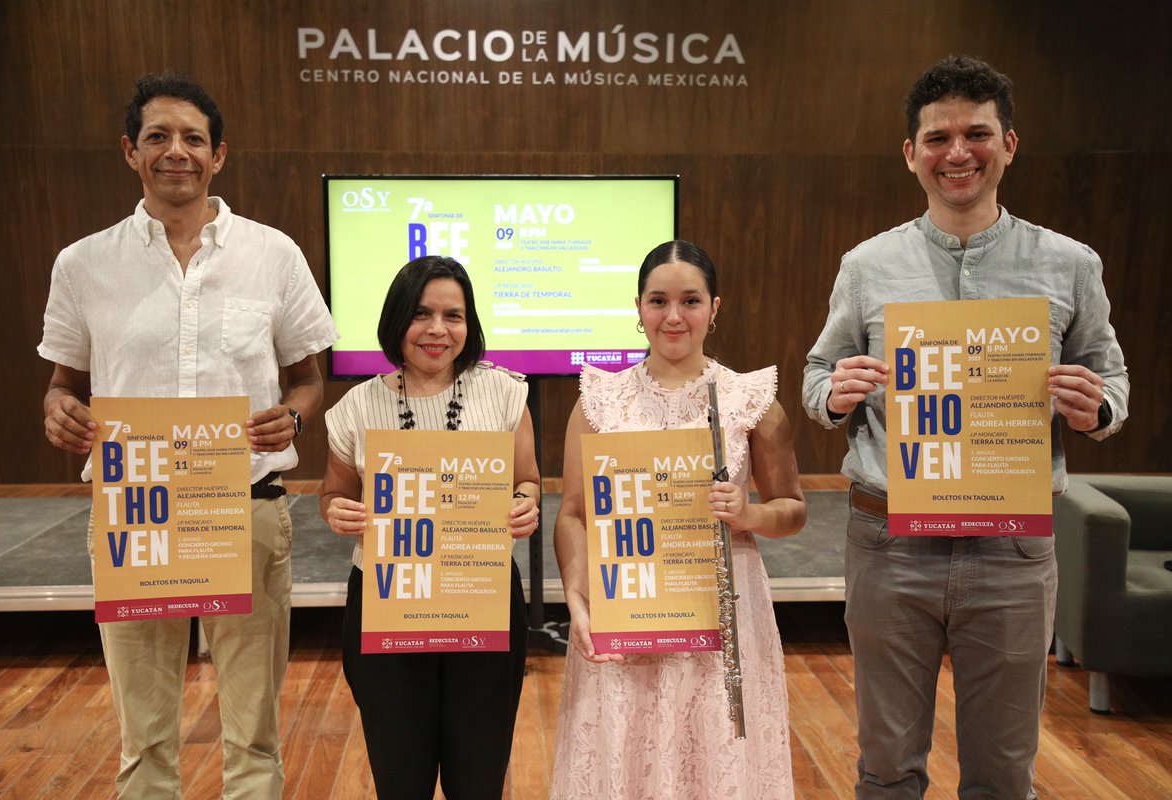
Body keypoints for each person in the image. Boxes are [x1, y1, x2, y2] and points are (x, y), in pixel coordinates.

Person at [802, 55, 1129, 798]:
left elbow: (1111, 378)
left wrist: (1099, 406)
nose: (958, 153)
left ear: (1009, 144)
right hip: (888, 545)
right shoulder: (866, 266)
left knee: (1004, 775)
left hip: (1011, 550)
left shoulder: (1070, 264)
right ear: (911, 153)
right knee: (885, 771)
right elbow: (818, 374)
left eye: (976, 134)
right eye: (938, 137)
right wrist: (835, 392)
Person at [38, 72, 338, 798]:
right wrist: (59, 414)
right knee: (144, 743)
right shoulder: (82, 265)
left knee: (254, 735)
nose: (177, 151)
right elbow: (61, 387)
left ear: (219, 155)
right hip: (134, 515)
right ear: (130, 152)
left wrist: (293, 415)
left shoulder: (273, 253)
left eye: (193, 139)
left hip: (247, 510)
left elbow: (309, 378)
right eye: (158, 137)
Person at [550, 239, 807, 799]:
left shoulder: (750, 399)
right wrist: (576, 596)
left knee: (716, 761)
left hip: (722, 609)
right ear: (637, 308)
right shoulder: (599, 399)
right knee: (626, 752)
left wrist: (749, 513)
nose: (673, 316)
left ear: (716, 308)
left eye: (690, 300)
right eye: (657, 301)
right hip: (624, 604)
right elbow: (572, 515)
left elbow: (793, 509)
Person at [320, 255, 541, 799]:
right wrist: (336, 511)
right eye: (422, 314)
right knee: (400, 775)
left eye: (454, 315)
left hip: (481, 597)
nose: (438, 330)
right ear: (397, 320)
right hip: (387, 601)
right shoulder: (357, 406)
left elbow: (530, 480)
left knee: (479, 774)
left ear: (470, 325)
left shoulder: (507, 393)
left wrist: (525, 504)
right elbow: (334, 492)